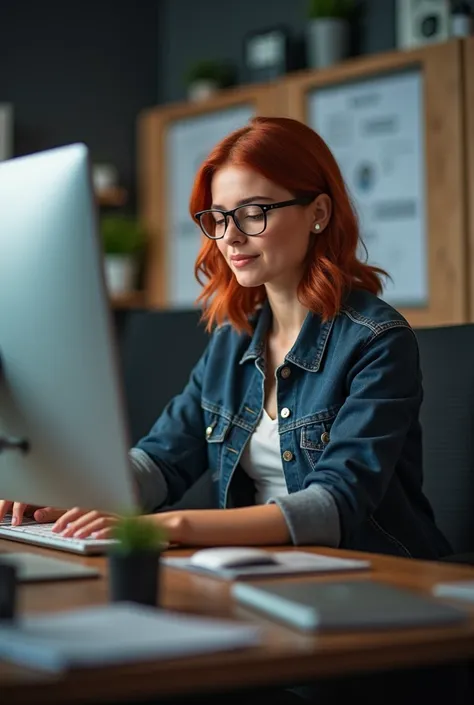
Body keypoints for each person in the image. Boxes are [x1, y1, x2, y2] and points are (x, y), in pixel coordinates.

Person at [0, 116, 451, 560]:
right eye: (218, 217)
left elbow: (333, 505)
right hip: (261, 572)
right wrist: (71, 497)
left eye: (253, 213)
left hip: (374, 574)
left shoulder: (377, 340)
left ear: (318, 213)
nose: (230, 236)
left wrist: (169, 525)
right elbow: (162, 459)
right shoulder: (233, 339)